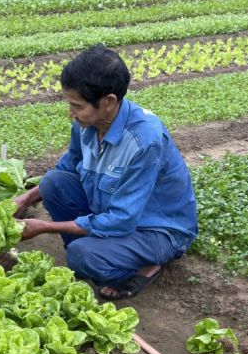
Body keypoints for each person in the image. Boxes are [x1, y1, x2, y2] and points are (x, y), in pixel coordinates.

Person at [13, 45, 198, 300]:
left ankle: (141, 267)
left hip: (155, 229)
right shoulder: (87, 123)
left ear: (109, 102)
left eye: (77, 106)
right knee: (53, 183)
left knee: (82, 256)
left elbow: (122, 219)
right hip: (112, 210)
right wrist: (26, 198)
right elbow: (68, 166)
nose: (71, 113)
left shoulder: (144, 141)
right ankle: (96, 248)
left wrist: (45, 226)